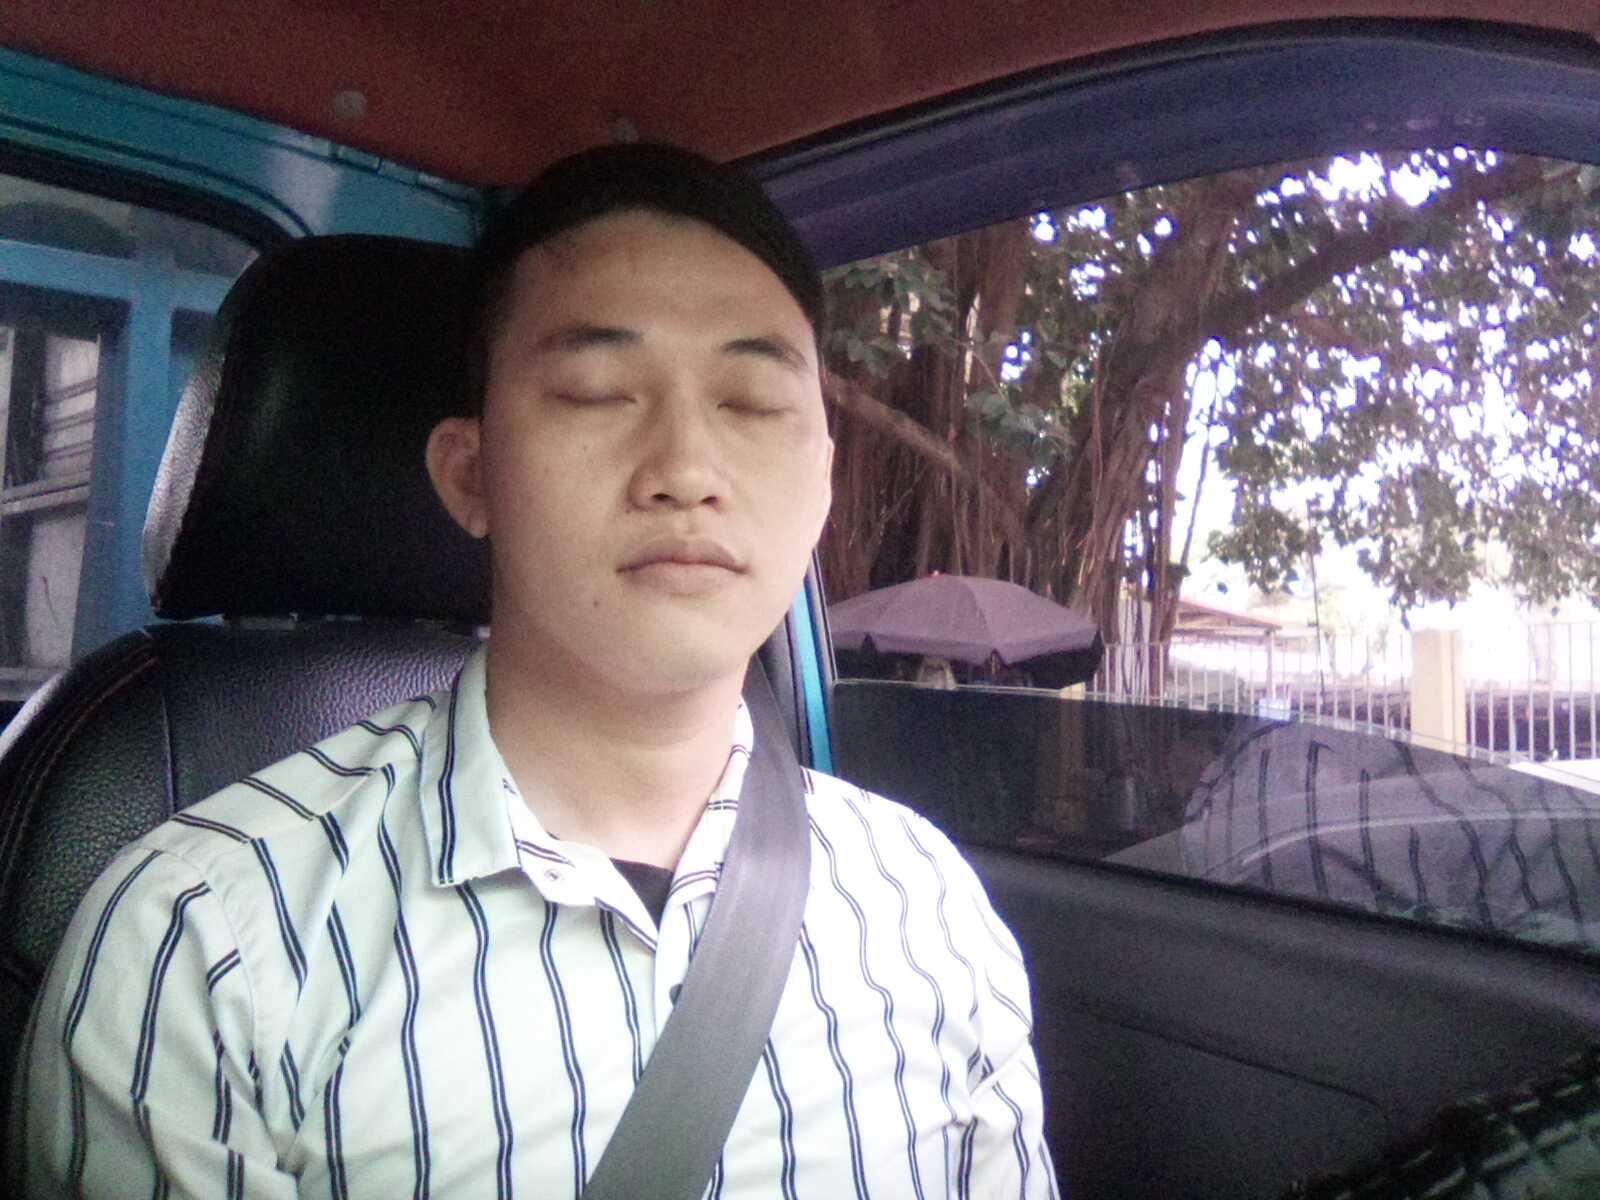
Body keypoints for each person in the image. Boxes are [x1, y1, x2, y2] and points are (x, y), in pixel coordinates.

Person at [13, 143, 1058, 1198]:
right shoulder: (204, 947)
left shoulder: (927, 910)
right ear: (471, 475)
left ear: (823, 483)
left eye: (750, 401)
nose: (686, 470)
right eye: (599, 393)